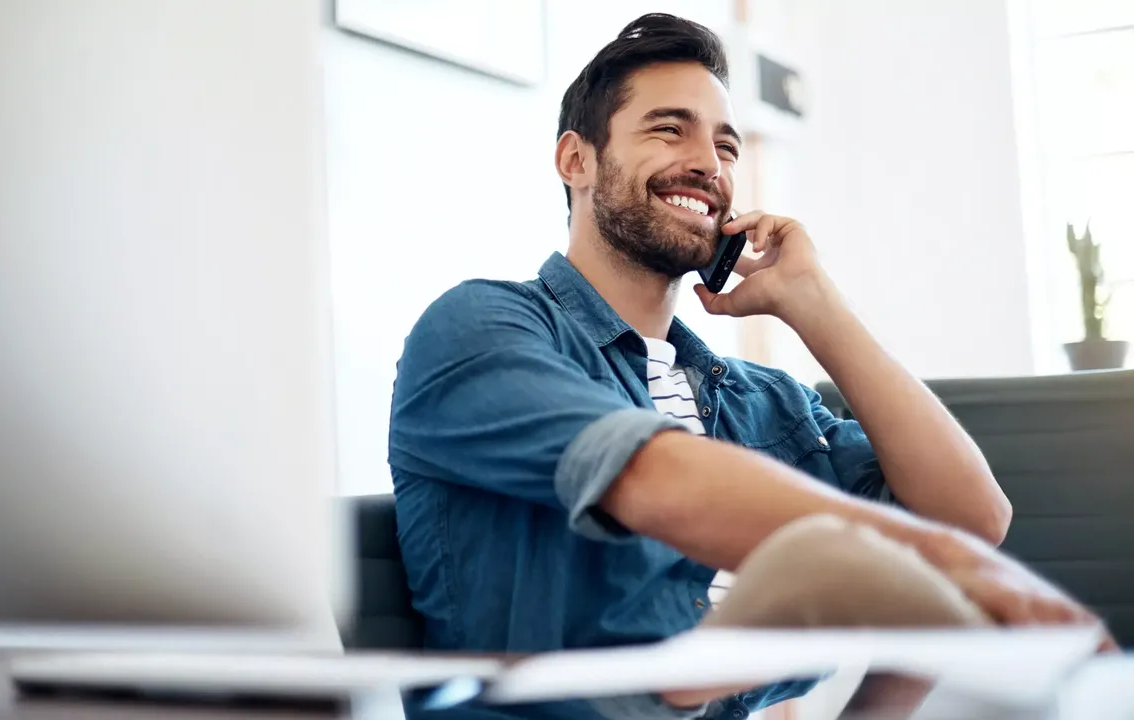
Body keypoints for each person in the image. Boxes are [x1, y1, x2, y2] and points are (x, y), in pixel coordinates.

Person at [388, 13, 1112, 720]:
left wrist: (816, 303)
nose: (709, 163)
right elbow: (655, 481)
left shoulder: (765, 404)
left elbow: (971, 518)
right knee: (875, 562)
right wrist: (915, 561)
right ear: (576, 160)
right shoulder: (480, 330)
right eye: (669, 128)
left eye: (727, 145)